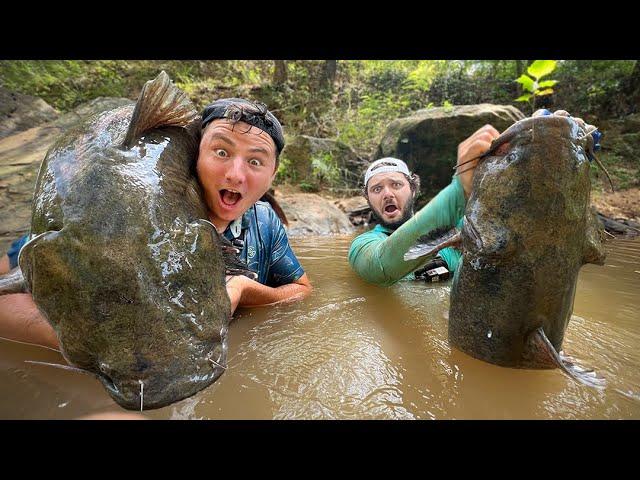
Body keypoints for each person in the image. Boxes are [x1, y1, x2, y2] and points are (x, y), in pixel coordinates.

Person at [0, 98, 312, 350]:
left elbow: (301, 290)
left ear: (272, 175)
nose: (235, 174)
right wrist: (98, 346)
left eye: (255, 161)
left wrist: (244, 290)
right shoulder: (125, 214)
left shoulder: (263, 222)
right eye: (221, 151)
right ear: (195, 156)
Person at [348, 109, 592, 287]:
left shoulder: (461, 232)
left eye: (396, 184)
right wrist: (459, 191)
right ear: (368, 200)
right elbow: (380, 268)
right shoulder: (363, 247)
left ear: (413, 189)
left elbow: (525, 238)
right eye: (377, 189)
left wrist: (561, 165)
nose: (388, 193)